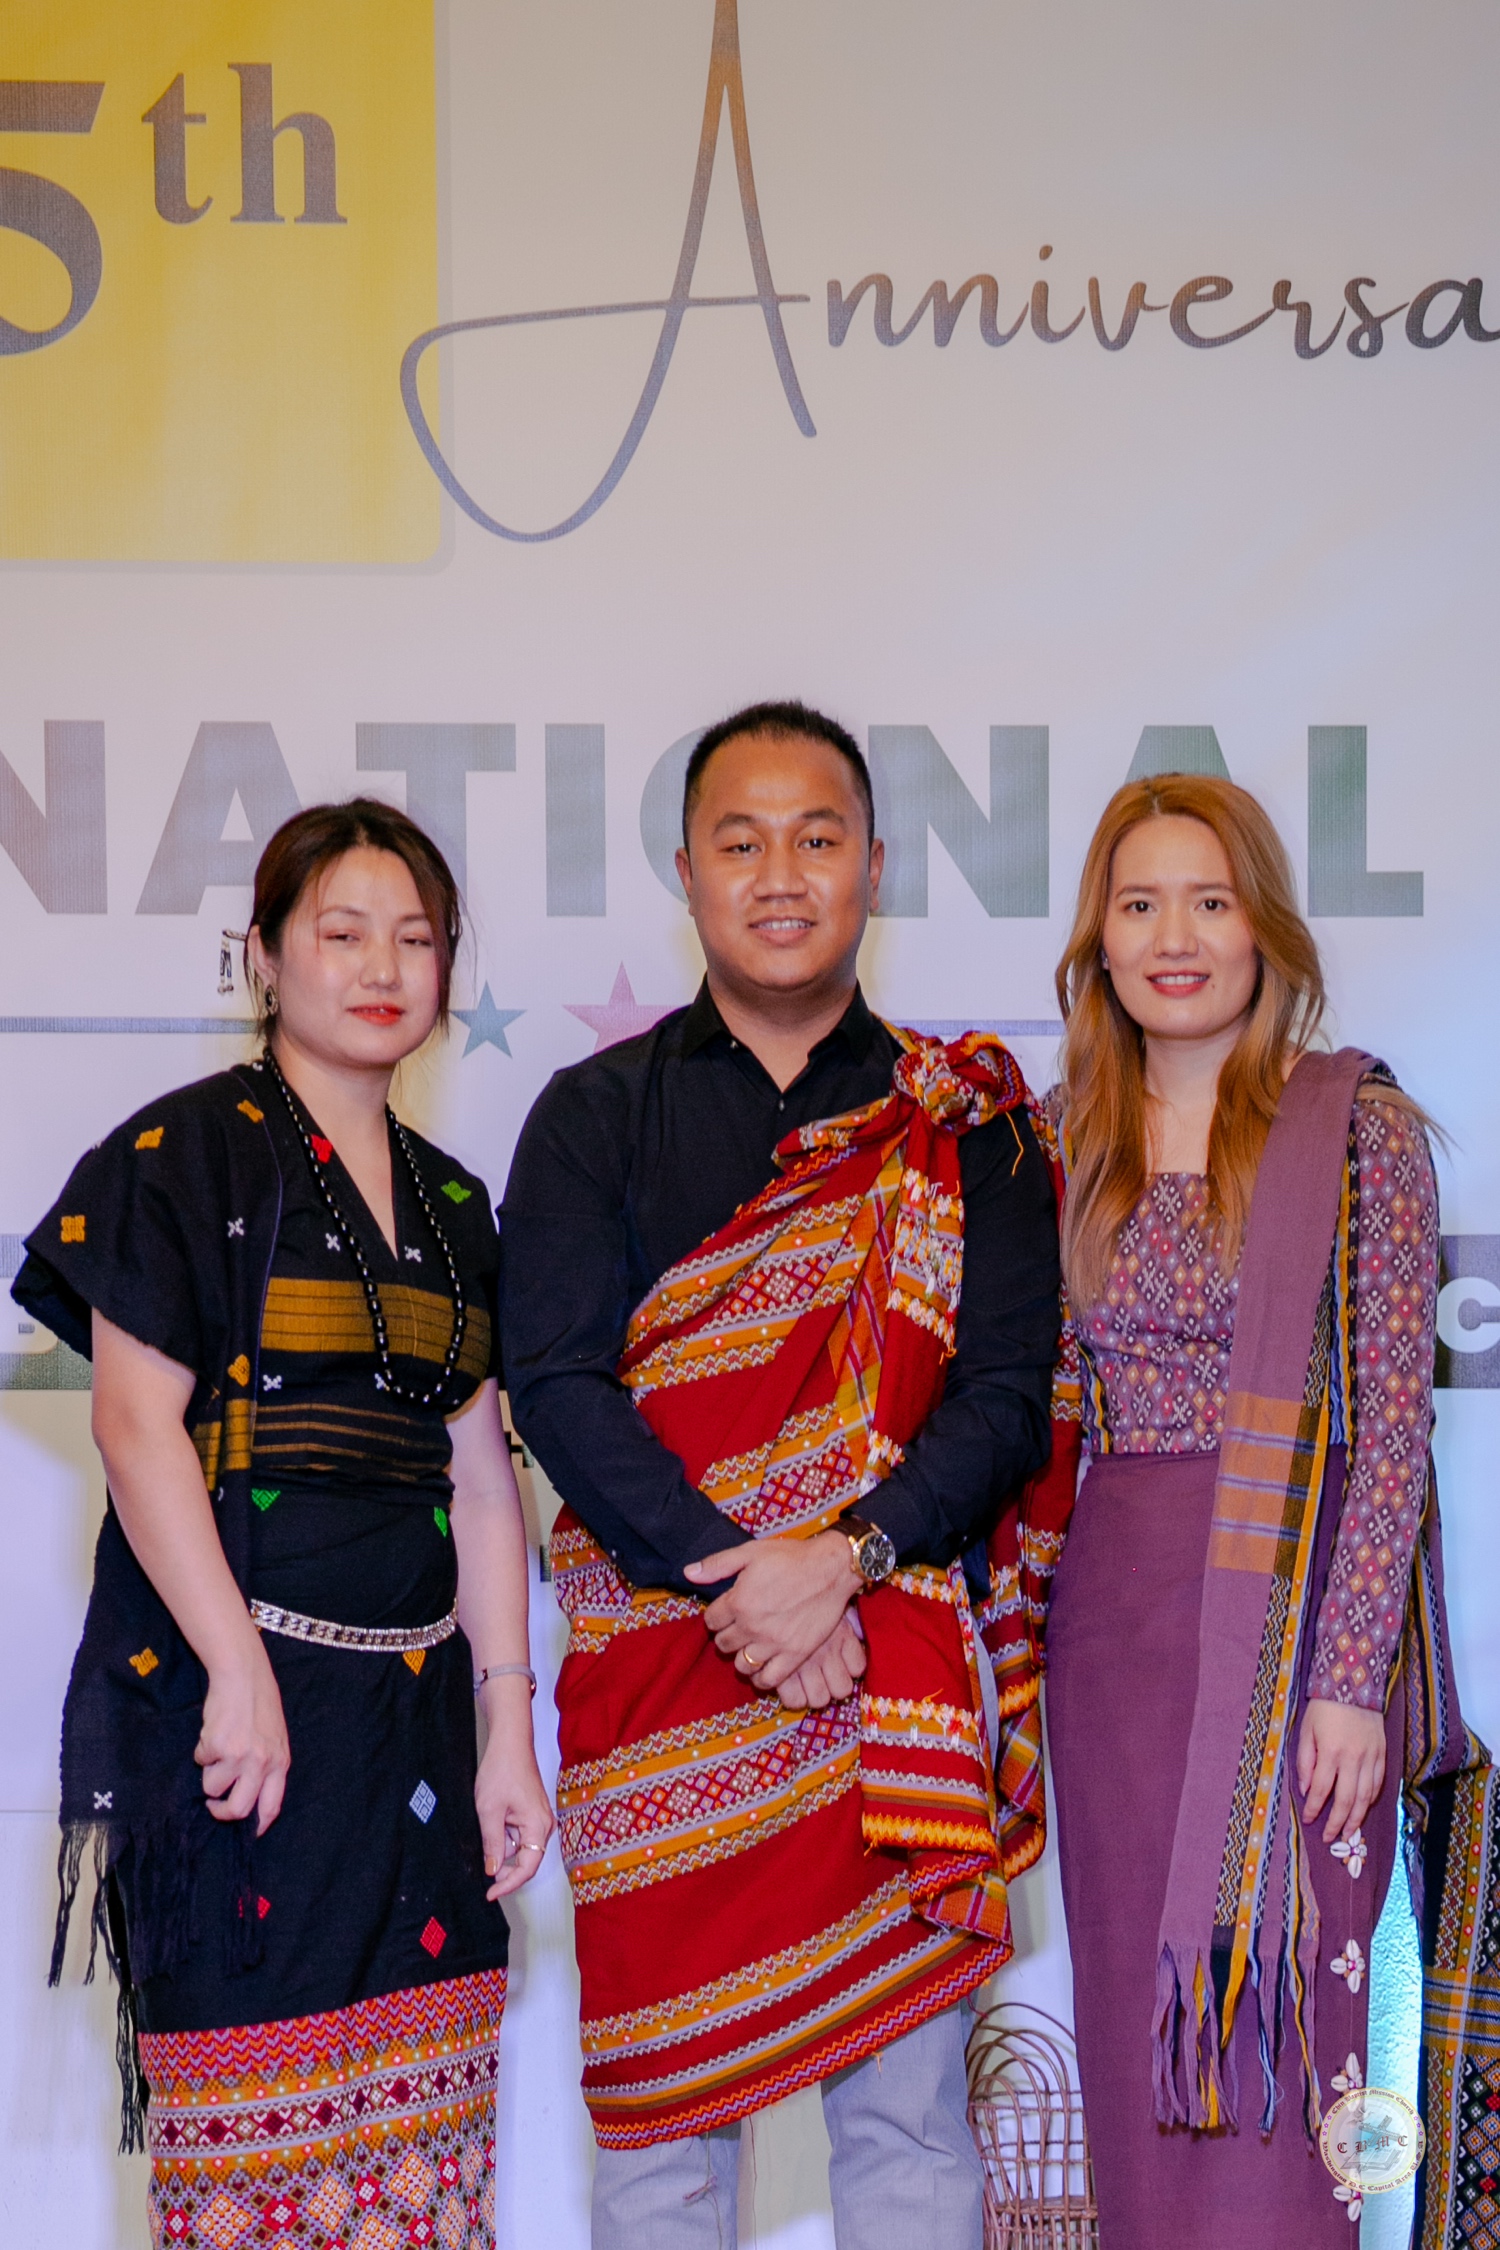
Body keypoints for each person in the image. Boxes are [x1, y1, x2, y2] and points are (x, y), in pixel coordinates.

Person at [501, 699, 1073, 2249]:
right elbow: (557, 1381)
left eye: (817, 838)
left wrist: (846, 1557)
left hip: (886, 1677)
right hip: (661, 1677)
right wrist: (746, 1578)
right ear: (686, 871)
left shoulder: (965, 1123)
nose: (779, 874)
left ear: (875, 866)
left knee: (910, 2126)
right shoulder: (592, 1115)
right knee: (662, 2141)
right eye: (740, 840)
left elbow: (1004, 1399)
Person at [14, 800, 551, 2250]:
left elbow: (481, 1477)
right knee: (250, 2163)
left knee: (429, 2170)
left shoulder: (455, 1203)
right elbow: (135, 1428)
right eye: (342, 931)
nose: (382, 967)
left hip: (417, 1732)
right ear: (261, 953)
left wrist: (509, 1725)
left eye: (416, 939)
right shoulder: (178, 1158)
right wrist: (237, 1669)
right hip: (239, 1724)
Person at [1041, 772, 1496, 2248]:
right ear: (1099, 938)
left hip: (1302, 1640)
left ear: (1266, 930)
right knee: (1138, 2042)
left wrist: (1352, 1681)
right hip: (1116, 1642)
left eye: (1210, 901)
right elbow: (1043, 1413)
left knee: (1294, 2041)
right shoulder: (1062, 1139)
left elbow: (1393, 1426)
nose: (1175, 937)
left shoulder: (1356, 1127)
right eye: (1140, 903)